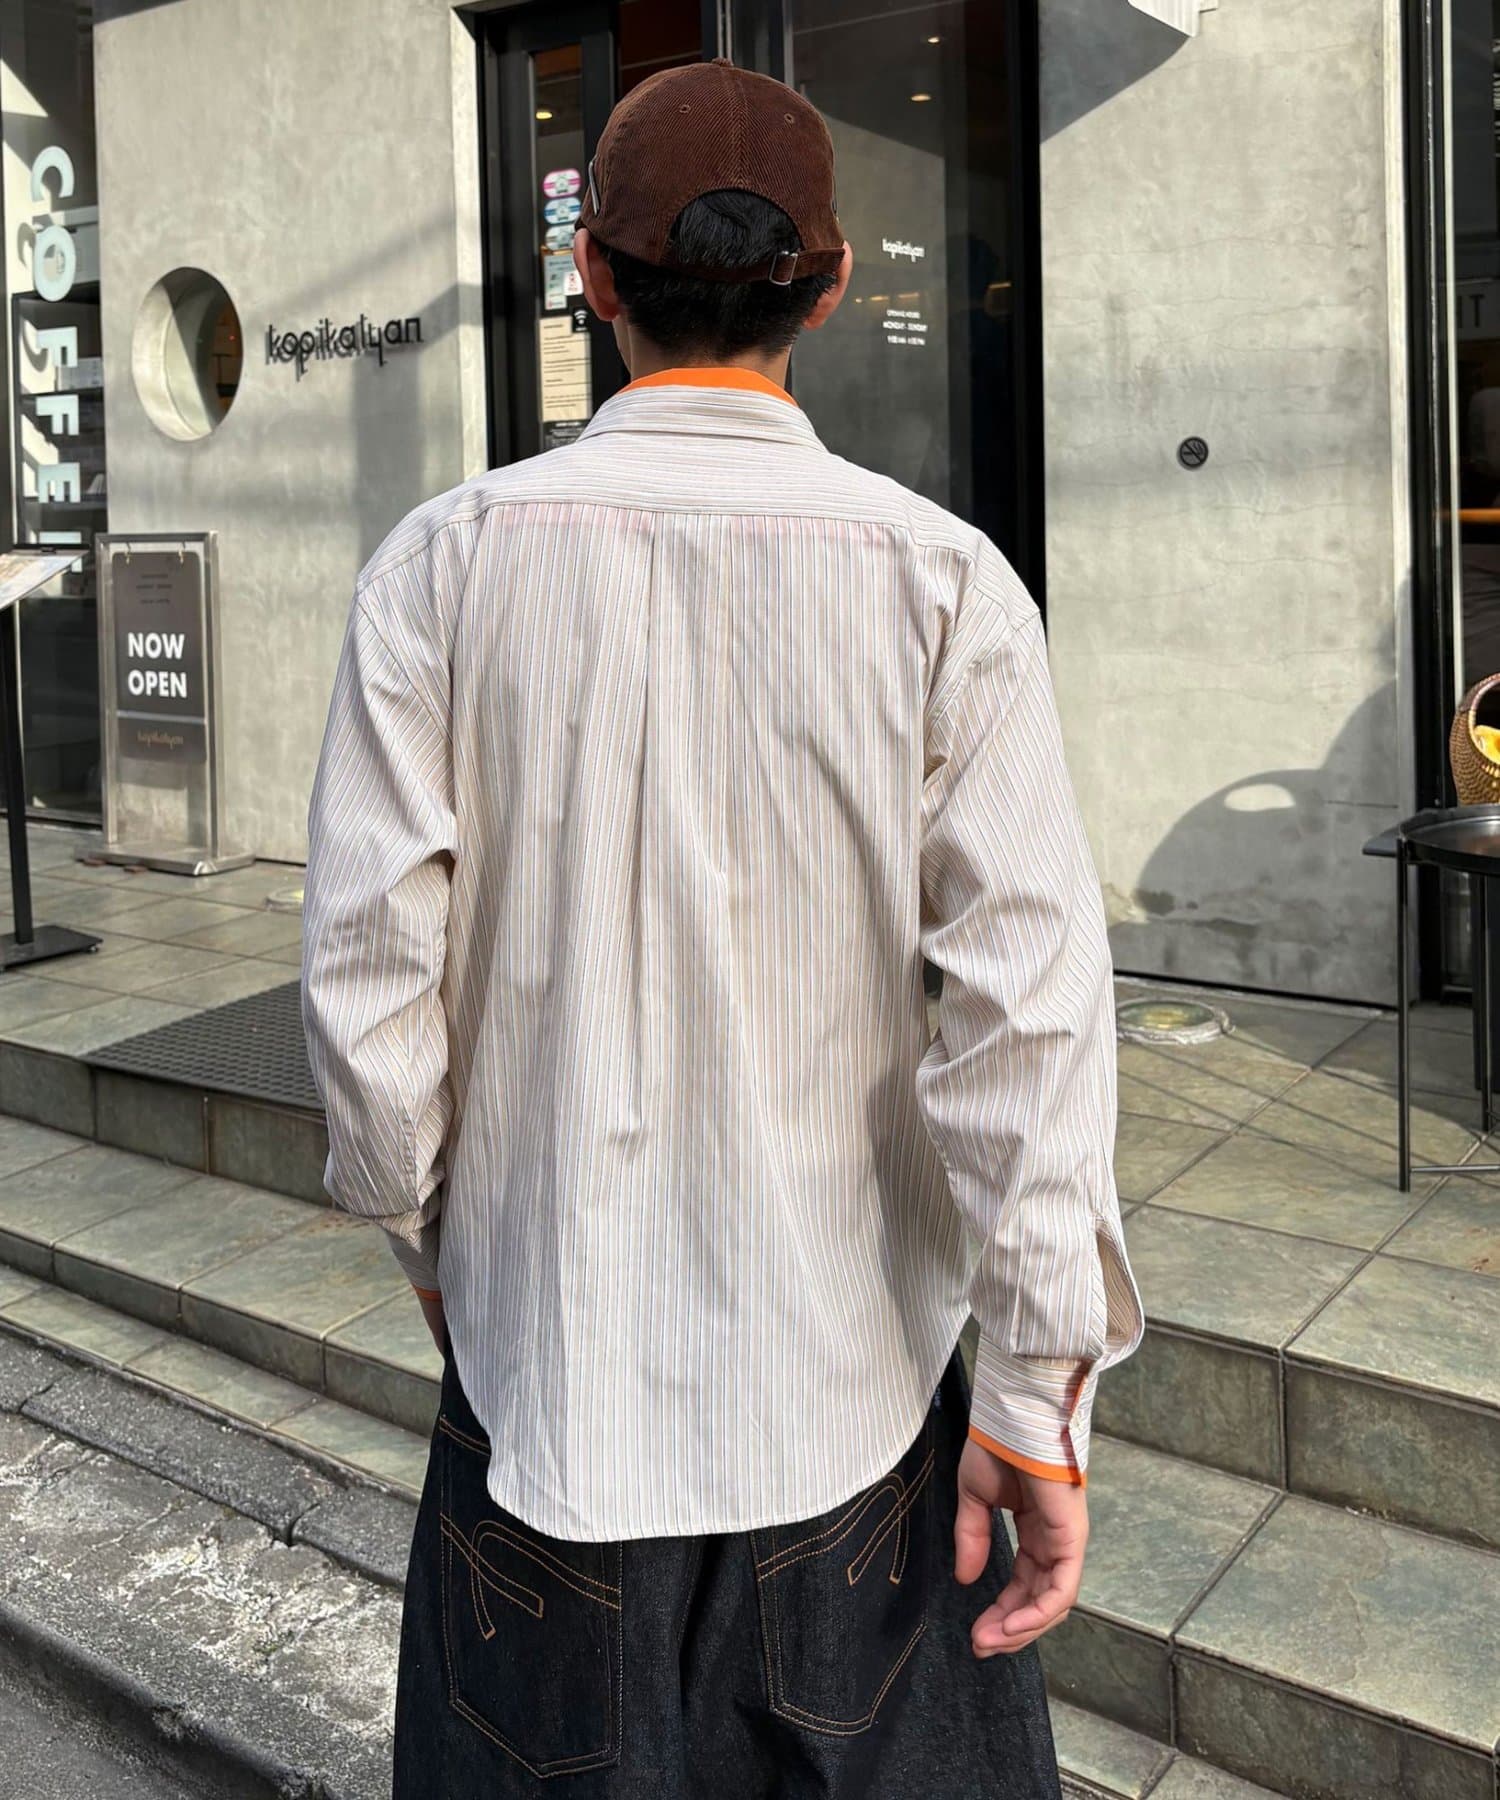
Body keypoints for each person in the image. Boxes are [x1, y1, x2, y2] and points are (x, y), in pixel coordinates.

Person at [302, 57, 1141, 1800]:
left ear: (589, 276)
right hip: (856, 1418)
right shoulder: (945, 583)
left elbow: (369, 997)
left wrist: (437, 1250)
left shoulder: (442, 566)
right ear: (827, 288)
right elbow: (1030, 1017)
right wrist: (1035, 1389)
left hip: (542, 1407)